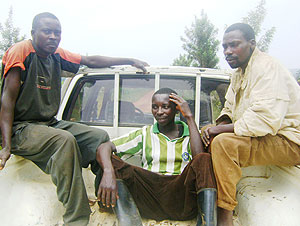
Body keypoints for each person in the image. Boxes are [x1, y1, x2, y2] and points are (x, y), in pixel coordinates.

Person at [0, 12, 148, 226]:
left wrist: (129, 59)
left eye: (57, 33)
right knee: (63, 140)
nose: (53, 37)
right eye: (47, 32)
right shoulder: (21, 52)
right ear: (33, 33)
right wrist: (6, 146)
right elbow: (7, 103)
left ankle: (108, 198)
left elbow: (89, 60)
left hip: (48, 124)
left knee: (98, 137)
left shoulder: (56, 55)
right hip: (20, 128)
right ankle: (77, 219)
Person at [201, 23, 300, 226]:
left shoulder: (266, 67)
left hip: (289, 141)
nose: (227, 52)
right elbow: (229, 109)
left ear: (252, 44)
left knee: (224, 144)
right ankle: (205, 203)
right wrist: (217, 126)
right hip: (264, 137)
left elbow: (263, 120)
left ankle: (225, 216)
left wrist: (219, 131)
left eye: (234, 45)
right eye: (224, 47)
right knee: (208, 134)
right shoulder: (239, 72)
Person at [96, 88, 217, 225]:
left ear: (177, 109)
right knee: (111, 161)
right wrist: (108, 171)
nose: (159, 112)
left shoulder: (192, 134)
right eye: (155, 107)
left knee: (204, 159)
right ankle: (130, 222)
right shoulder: (145, 133)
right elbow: (104, 147)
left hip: (180, 199)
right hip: (150, 196)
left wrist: (189, 117)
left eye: (165, 107)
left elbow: (199, 160)